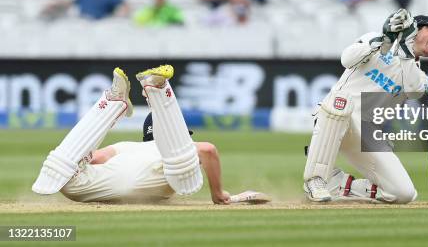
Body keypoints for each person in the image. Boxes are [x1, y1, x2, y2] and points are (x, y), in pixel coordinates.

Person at [32, 65, 270, 204]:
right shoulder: (177, 154)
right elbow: (207, 150)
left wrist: (81, 156)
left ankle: (112, 103)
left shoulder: (126, 146)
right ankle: (158, 90)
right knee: (182, 164)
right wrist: (220, 194)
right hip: (144, 186)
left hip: (83, 187)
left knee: (62, 165)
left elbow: (93, 158)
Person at [303, 10, 428, 203]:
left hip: (368, 132)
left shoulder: (419, 76)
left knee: (403, 194)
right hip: (337, 115)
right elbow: (347, 59)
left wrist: (406, 53)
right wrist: (384, 40)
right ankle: (316, 179)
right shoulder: (375, 39)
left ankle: (338, 183)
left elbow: (415, 91)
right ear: (415, 29)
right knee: (341, 103)